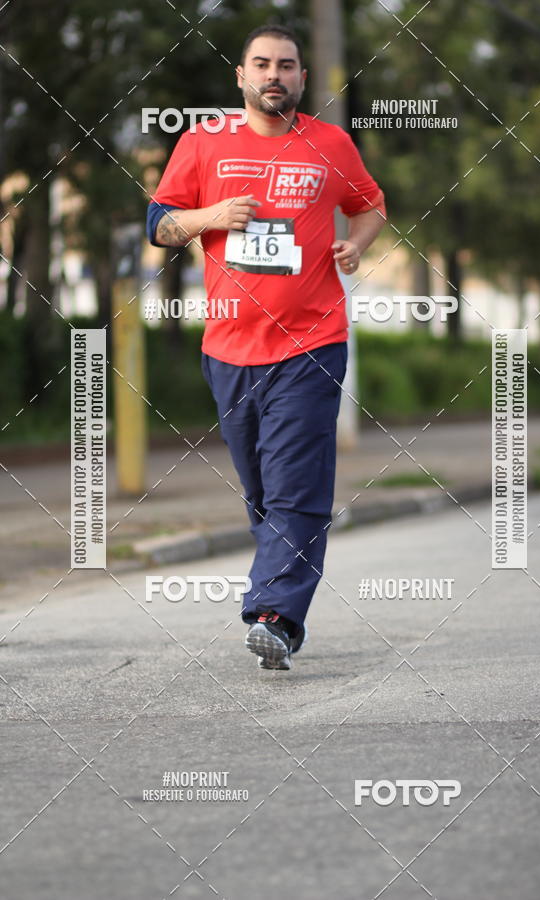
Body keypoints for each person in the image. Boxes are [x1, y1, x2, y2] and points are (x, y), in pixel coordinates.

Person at [146, 24, 386, 670]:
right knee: (261, 487)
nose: (273, 74)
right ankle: (279, 585)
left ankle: (276, 616)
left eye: (286, 65)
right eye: (262, 64)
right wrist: (211, 217)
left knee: (296, 483)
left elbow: (370, 204)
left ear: (302, 79)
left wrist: (356, 245)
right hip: (228, 347)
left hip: (312, 342)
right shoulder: (203, 143)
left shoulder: (330, 144)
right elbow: (159, 224)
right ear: (241, 77)